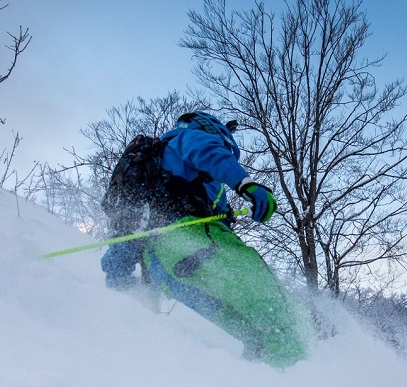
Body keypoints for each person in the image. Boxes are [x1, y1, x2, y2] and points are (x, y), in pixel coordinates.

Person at [100, 111, 312, 368]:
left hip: (167, 270)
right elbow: (209, 152)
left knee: (250, 332)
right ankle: (305, 374)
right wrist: (246, 184)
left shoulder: (150, 177)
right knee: (274, 310)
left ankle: (262, 381)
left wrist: (121, 287)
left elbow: (123, 243)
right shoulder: (187, 138)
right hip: (196, 246)